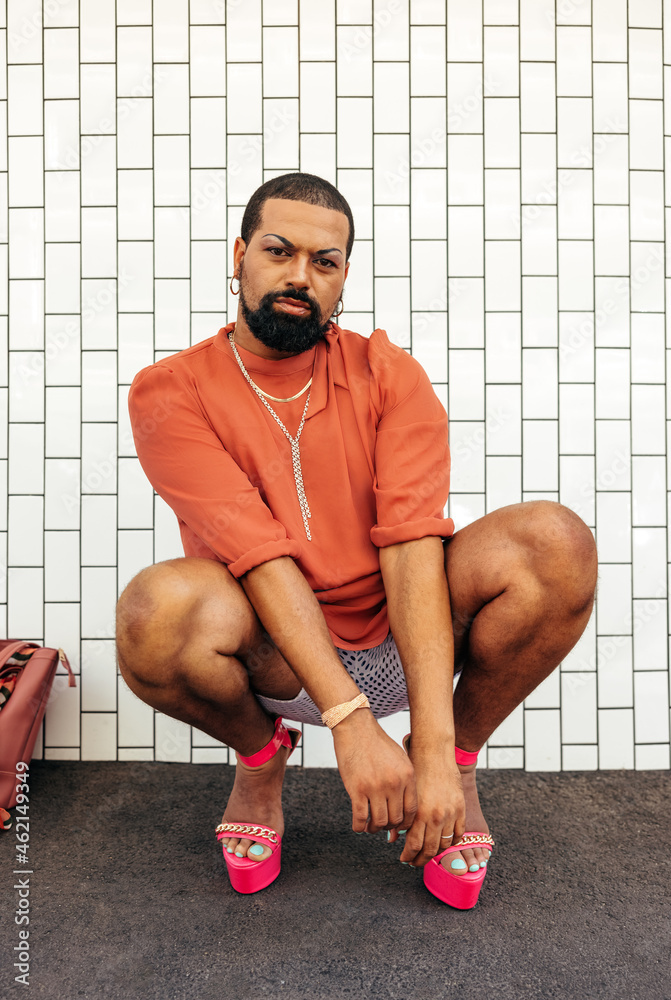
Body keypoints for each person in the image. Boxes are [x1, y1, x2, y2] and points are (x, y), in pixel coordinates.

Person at [117, 172, 597, 908]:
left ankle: (458, 764)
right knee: (156, 612)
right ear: (240, 254)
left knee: (553, 541)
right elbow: (259, 557)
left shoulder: (388, 373)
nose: (298, 277)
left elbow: (411, 548)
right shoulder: (170, 390)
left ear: (342, 277)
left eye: (324, 262)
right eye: (278, 252)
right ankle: (259, 755)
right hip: (277, 653)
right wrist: (346, 720)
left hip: (412, 637)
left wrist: (432, 748)